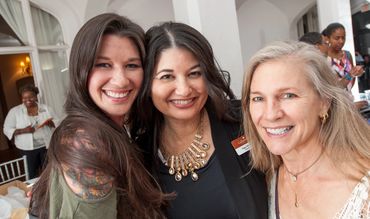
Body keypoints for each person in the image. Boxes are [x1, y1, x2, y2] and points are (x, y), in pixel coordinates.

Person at [29, 13, 167, 219]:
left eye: (132, 65)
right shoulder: (87, 144)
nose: (120, 81)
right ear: (81, 70)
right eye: (103, 64)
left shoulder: (107, 129)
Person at [133, 22, 268, 219]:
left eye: (194, 73)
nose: (184, 89)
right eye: (167, 76)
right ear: (147, 84)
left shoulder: (246, 120)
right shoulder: (139, 156)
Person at [241, 41, 370, 219]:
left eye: (288, 96)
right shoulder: (265, 180)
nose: (271, 114)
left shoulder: (364, 188)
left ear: (324, 103)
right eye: (258, 98)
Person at [3, 85, 58, 179]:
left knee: (49, 172)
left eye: (30, 97)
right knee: (31, 173)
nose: (27, 100)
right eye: (24, 97)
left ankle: (49, 190)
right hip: (27, 149)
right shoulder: (15, 111)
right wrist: (23, 130)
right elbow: (6, 129)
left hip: (46, 146)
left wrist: (51, 123)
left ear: (36, 96)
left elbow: (58, 122)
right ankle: (34, 192)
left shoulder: (46, 108)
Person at [323, 22, 364, 91]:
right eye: (337, 38)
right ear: (328, 39)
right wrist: (350, 75)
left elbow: (352, 77)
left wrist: (357, 72)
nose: (341, 41)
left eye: (343, 38)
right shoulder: (324, 58)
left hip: (348, 97)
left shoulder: (347, 55)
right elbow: (332, 88)